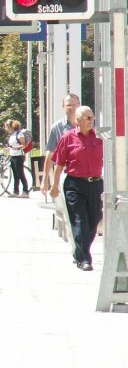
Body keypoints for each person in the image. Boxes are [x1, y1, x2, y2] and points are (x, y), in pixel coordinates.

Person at [49, 105, 103, 271]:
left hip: (95, 184)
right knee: (80, 221)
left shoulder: (100, 138)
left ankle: (79, 252)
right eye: (86, 118)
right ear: (78, 121)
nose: (90, 120)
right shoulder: (68, 138)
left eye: (91, 117)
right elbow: (59, 164)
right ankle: (84, 259)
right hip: (75, 185)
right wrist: (54, 185)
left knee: (94, 222)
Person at [40, 93, 80, 196]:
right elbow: (50, 154)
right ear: (63, 107)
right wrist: (45, 179)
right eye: (68, 105)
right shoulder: (58, 127)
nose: (72, 107)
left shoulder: (88, 125)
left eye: (74, 104)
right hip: (67, 174)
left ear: (79, 105)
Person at [4, 119, 30, 197]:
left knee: (21, 174)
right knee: (15, 175)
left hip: (19, 156)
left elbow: (24, 145)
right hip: (13, 156)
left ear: (11, 127)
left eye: (7, 127)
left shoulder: (19, 134)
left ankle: (25, 192)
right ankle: (15, 191)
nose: (6, 129)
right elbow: (11, 145)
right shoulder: (12, 135)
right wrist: (8, 148)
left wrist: (14, 147)